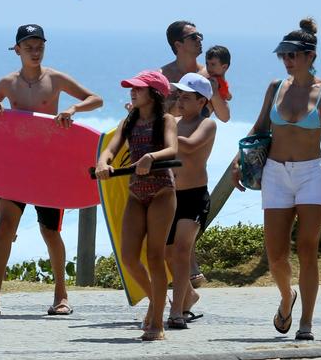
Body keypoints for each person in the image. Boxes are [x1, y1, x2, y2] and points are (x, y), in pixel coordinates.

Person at [231, 18, 321, 341]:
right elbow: (260, 126)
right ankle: (286, 298)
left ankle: (306, 322)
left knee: (307, 248)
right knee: (276, 255)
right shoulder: (276, 87)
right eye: (284, 56)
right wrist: (238, 161)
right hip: (275, 173)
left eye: (293, 55)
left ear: (310, 56)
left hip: (311, 175)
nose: (287, 61)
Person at [0, 24, 103, 316]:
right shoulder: (7, 83)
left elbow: (96, 98)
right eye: (28, 46)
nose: (35, 51)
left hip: (48, 167)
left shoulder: (55, 79)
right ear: (17, 49)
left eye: (39, 45)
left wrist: (72, 110)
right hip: (16, 166)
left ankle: (61, 296)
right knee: (5, 226)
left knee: (49, 231)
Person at [95, 71, 177, 341]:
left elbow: (172, 149)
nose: (132, 91)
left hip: (162, 192)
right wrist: (103, 163)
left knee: (154, 256)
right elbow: (111, 149)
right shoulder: (129, 121)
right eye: (131, 88)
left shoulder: (165, 120)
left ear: (153, 94)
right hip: (136, 194)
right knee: (129, 257)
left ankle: (158, 324)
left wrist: (150, 157)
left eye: (138, 89)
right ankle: (156, 302)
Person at [161, 20, 229, 288]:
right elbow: (155, 114)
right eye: (193, 36)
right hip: (171, 145)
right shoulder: (163, 75)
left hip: (196, 145)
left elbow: (223, 116)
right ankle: (188, 274)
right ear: (178, 44)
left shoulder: (208, 76)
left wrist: (212, 91)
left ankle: (188, 273)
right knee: (174, 218)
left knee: (185, 208)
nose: (200, 39)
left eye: (200, 34)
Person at [164, 73, 216, 329]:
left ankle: (176, 310)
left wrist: (162, 130)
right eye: (179, 95)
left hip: (195, 196)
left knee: (182, 250)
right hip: (170, 195)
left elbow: (190, 145)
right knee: (167, 253)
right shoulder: (172, 121)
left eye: (186, 97)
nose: (180, 100)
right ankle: (189, 296)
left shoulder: (207, 124)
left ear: (202, 101)